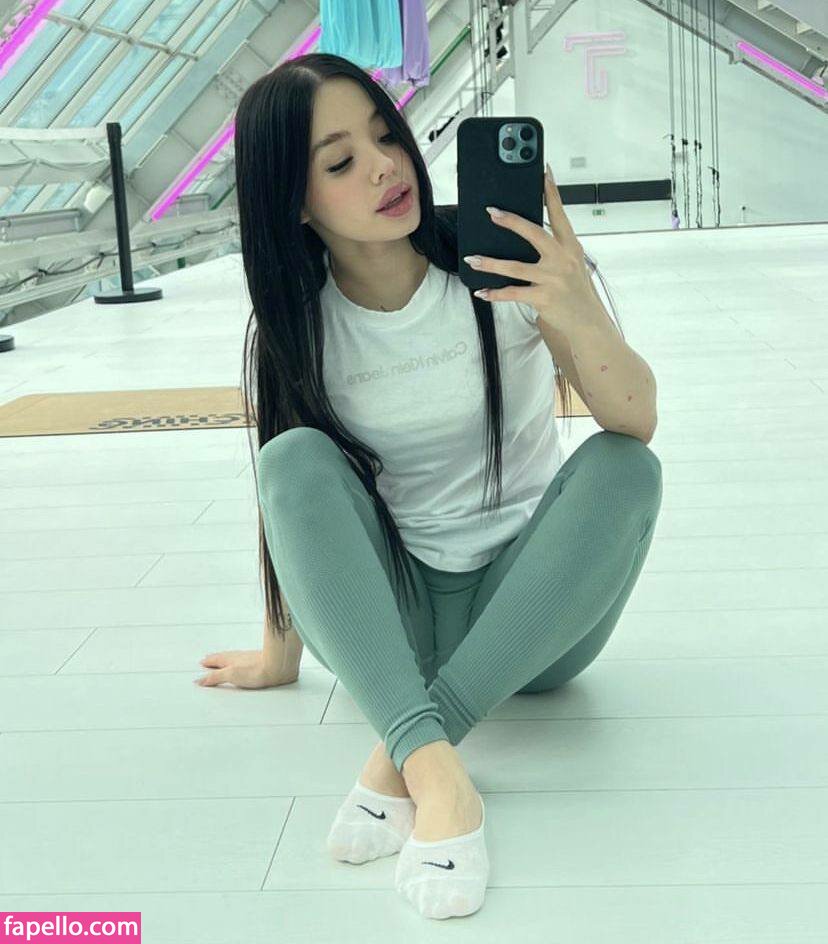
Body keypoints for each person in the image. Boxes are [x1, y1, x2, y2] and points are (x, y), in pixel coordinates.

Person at [194, 52, 662, 921]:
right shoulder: (301, 325)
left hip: (539, 620)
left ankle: (406, 746)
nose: (384, 166)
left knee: (625, 467)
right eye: (341, 161)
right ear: (295, 203)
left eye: (386, 136)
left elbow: (634, 419)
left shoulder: (503, 269)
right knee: (289, 458)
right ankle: (442, 778)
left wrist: (575, 303)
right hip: (392, 627)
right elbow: (296, 507)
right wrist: (280, 653)